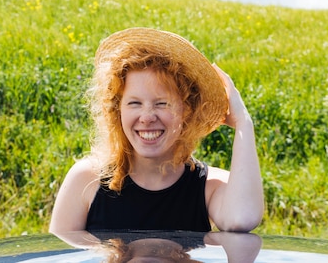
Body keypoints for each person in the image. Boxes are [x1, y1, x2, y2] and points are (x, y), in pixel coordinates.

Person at [49, 27, 264, 234]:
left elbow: (242, 218)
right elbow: (56, 259)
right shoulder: (87, 179)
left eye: (162, 104)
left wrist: (243, 123)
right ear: (117, 111)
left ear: (186, 111)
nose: (147, 117)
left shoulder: (208, 185)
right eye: (134, 103)